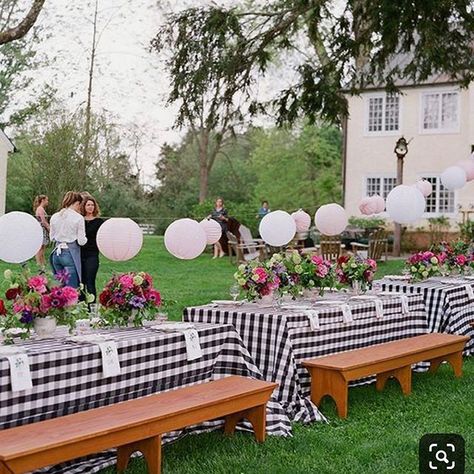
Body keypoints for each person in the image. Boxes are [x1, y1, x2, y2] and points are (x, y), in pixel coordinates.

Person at [49, 191, 87, 288]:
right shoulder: (78, 218)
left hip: (56, 254)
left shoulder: (55, 216)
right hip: (69, 254)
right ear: (77, 203)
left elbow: (52, 238)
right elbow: (81, 241)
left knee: (59, 288)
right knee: (71, 289)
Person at [80, 196, 104, 301]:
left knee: (90, 281)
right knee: (81, 282)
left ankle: (92, 307)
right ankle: (81, 306)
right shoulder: (79, 220)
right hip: (79, 253)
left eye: (92, 205)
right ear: (84, 206)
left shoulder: (99, 222)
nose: (90, 207)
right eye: (88, 205)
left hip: (92, 254)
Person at [33, 195, 50, 269]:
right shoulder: (40, 209)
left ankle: (43, 263)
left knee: (43, 247)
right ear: (42, 200)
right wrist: (49, 228)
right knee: (40, 247)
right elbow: (43, 221)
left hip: (43, 229)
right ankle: (39, 263)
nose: (47, 202)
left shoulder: (41, 209)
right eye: (47, 200)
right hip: (41, 229)